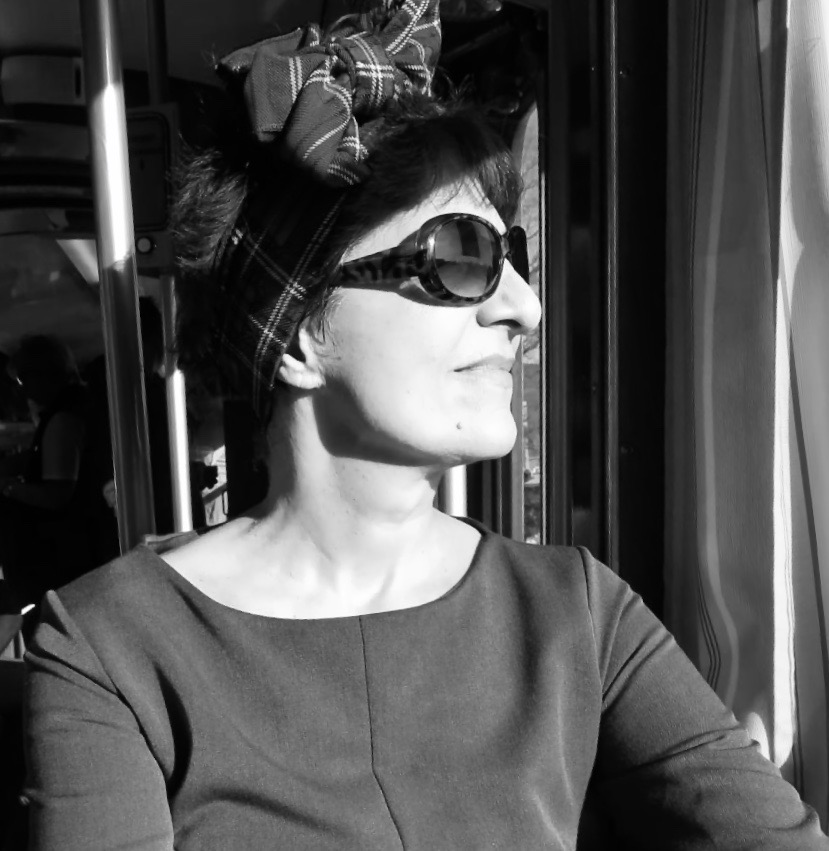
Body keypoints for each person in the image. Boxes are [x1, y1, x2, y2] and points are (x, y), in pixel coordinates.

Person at [21, 2, 829, 848]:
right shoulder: (107, 649)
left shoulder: (577, 614)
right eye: (461, 258)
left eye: (513, 259)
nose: (526, 308)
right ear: (297, 335)